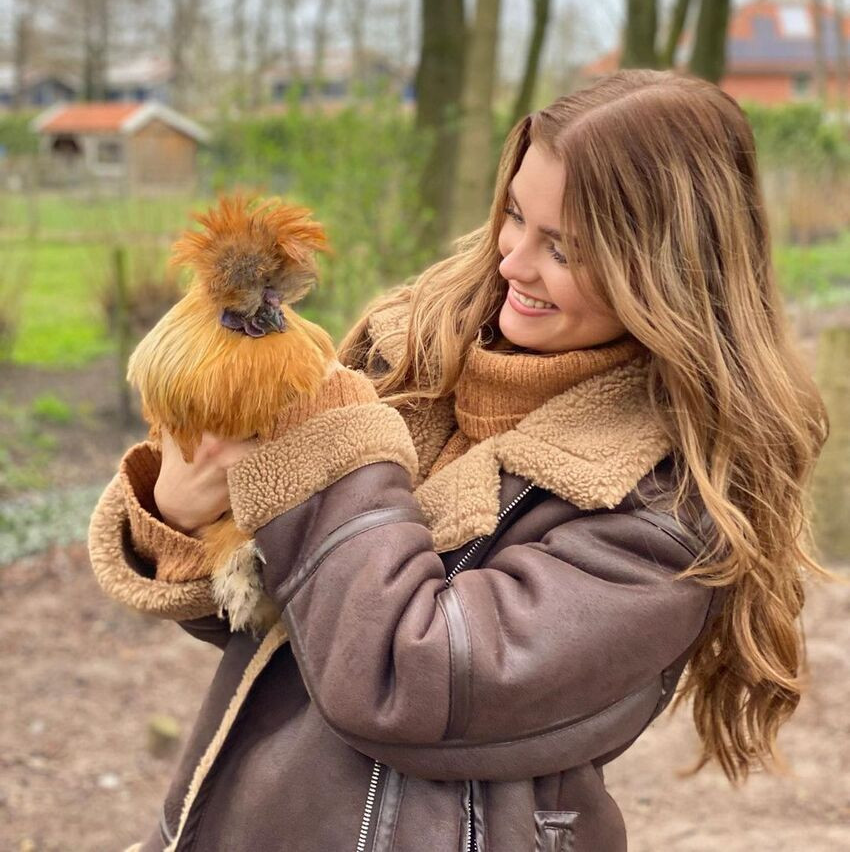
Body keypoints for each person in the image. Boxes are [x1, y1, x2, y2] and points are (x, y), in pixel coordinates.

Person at [88, 69, 829, 852]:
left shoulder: (665, 510)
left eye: (563, 249)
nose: (513, 261)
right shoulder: (413, 349)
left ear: (662, 271)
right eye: (515, 214)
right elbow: (287, 623)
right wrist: (188, 514)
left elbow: (403, 679)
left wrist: (333, 451)